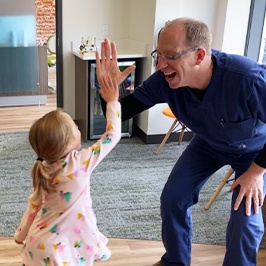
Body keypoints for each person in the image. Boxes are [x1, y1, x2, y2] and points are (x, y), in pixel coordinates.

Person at [96, 17, 266, 266]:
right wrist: (108, 92)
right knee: (173, 197)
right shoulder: (165, 82)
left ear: (199, 56)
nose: (160, 65)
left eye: (170, 56)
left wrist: (255, 173)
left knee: (245, 219)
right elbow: (120, 114)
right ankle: (175, 261)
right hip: (208, 144)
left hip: (254, 152)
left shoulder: (247, 79)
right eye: (158, 55)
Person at [14, 73, 121, 265]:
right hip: (64, 251)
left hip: (37, 246)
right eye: (74, 126)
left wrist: (20, 235)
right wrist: (112, 102)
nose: (78, 128)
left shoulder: (42, 170)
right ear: (67, 143)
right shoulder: (81, 161)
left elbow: (32, 209)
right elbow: (112, 136)